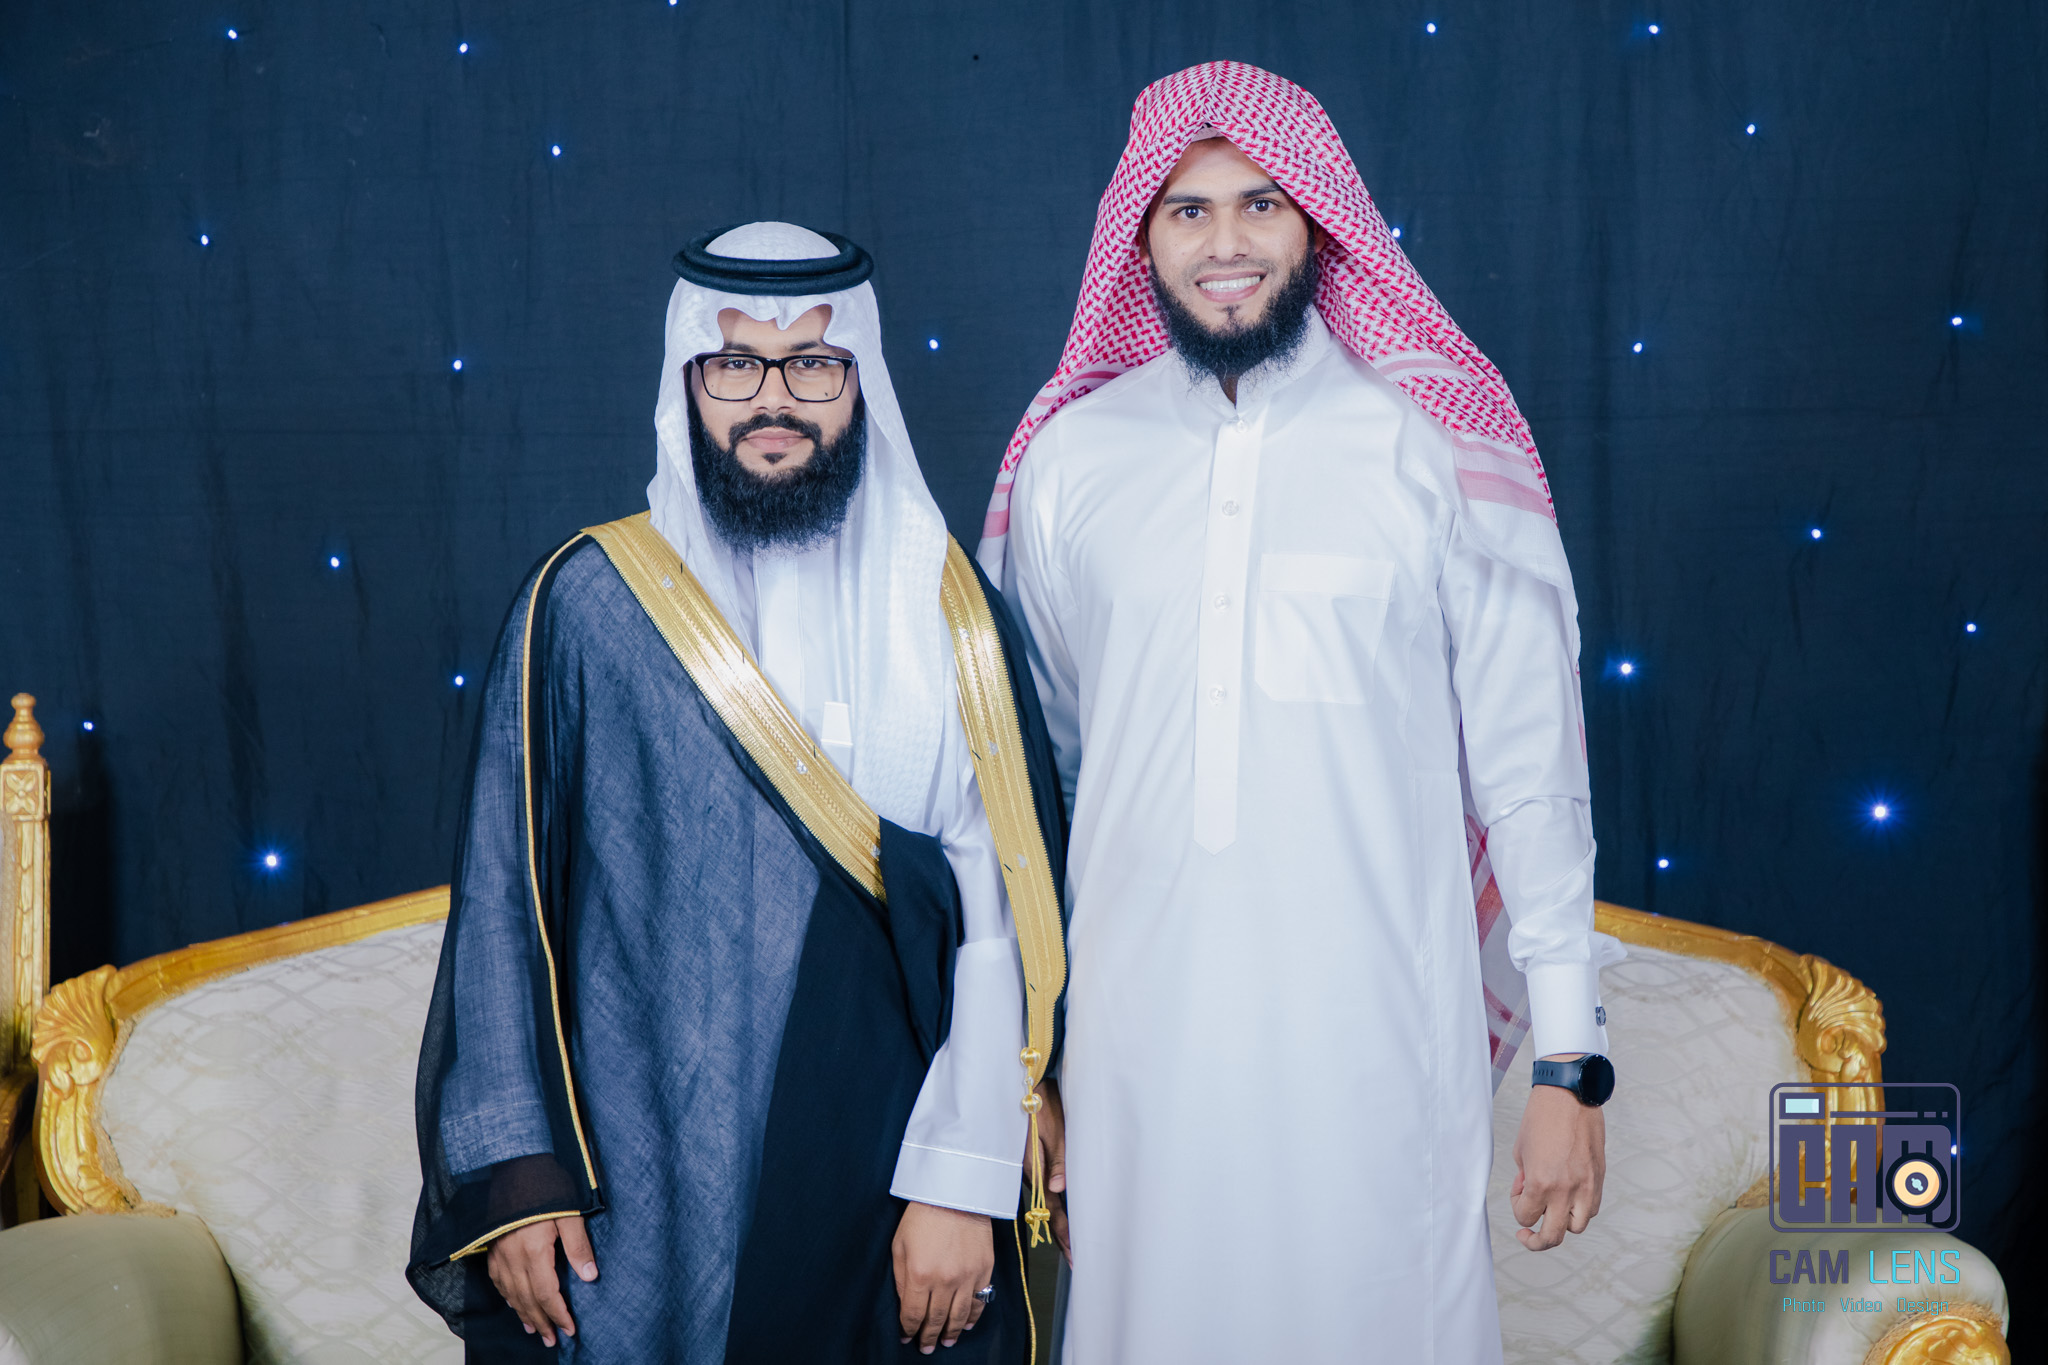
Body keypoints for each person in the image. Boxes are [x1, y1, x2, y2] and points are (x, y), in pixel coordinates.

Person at [983, 63, 1624, 1363]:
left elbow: (1529, 770)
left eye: (1259, 204)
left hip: (1376, 1042)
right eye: (1189, 210)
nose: (1225, 243)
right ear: (1140, 240)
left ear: (1318, 223)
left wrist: (1570, 1062)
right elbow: (1031, 792)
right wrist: (1025, 1062)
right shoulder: (1067, 463)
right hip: (1137, 1055)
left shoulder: (1433, 445)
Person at [408, 222, 1069, 1365]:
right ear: (687, 383)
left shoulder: (946, 610)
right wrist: (519, 1176)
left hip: (893, 1185)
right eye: (735, 365)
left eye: (812, 363)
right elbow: (506, 909)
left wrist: (961, 1183)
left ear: (859, 382)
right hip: (641, 1190)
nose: (774, 401)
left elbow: (993, 924)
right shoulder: (590, 605)